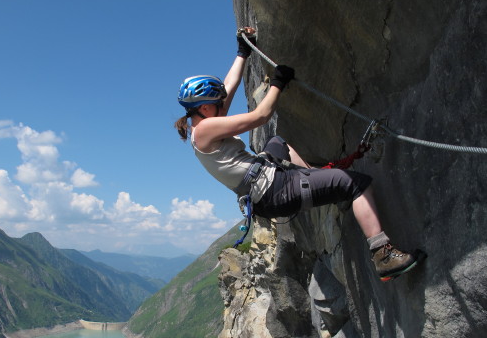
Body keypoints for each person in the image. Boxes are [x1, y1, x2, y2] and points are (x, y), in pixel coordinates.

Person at [174, 29, 423, 281]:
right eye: (217, 103)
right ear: (205, 107)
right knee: (356, 184)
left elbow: (229, 87)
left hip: (266, 187)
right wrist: (278, 84)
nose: (222, 105)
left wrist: (242, 52)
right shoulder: (206, 129)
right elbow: (260, 116)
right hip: (275, 190)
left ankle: (314, 179)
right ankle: (383, 254)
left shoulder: (203, 121)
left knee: (276, 142)